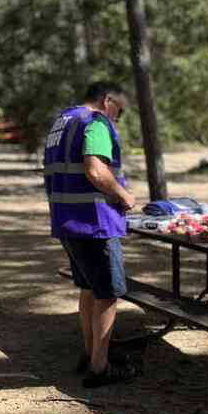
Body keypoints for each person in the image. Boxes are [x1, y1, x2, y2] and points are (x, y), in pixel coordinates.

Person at [44, 81, 137, 387]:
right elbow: (95, 170)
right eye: (119, 111)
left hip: (68, 221)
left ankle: (91, 352)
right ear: (108, 100)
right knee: (107, 294)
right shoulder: (95, 122)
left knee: (88, 288)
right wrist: (123, 195)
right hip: (95, 223)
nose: (117, 119)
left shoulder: (63, 121)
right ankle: (100, 368)